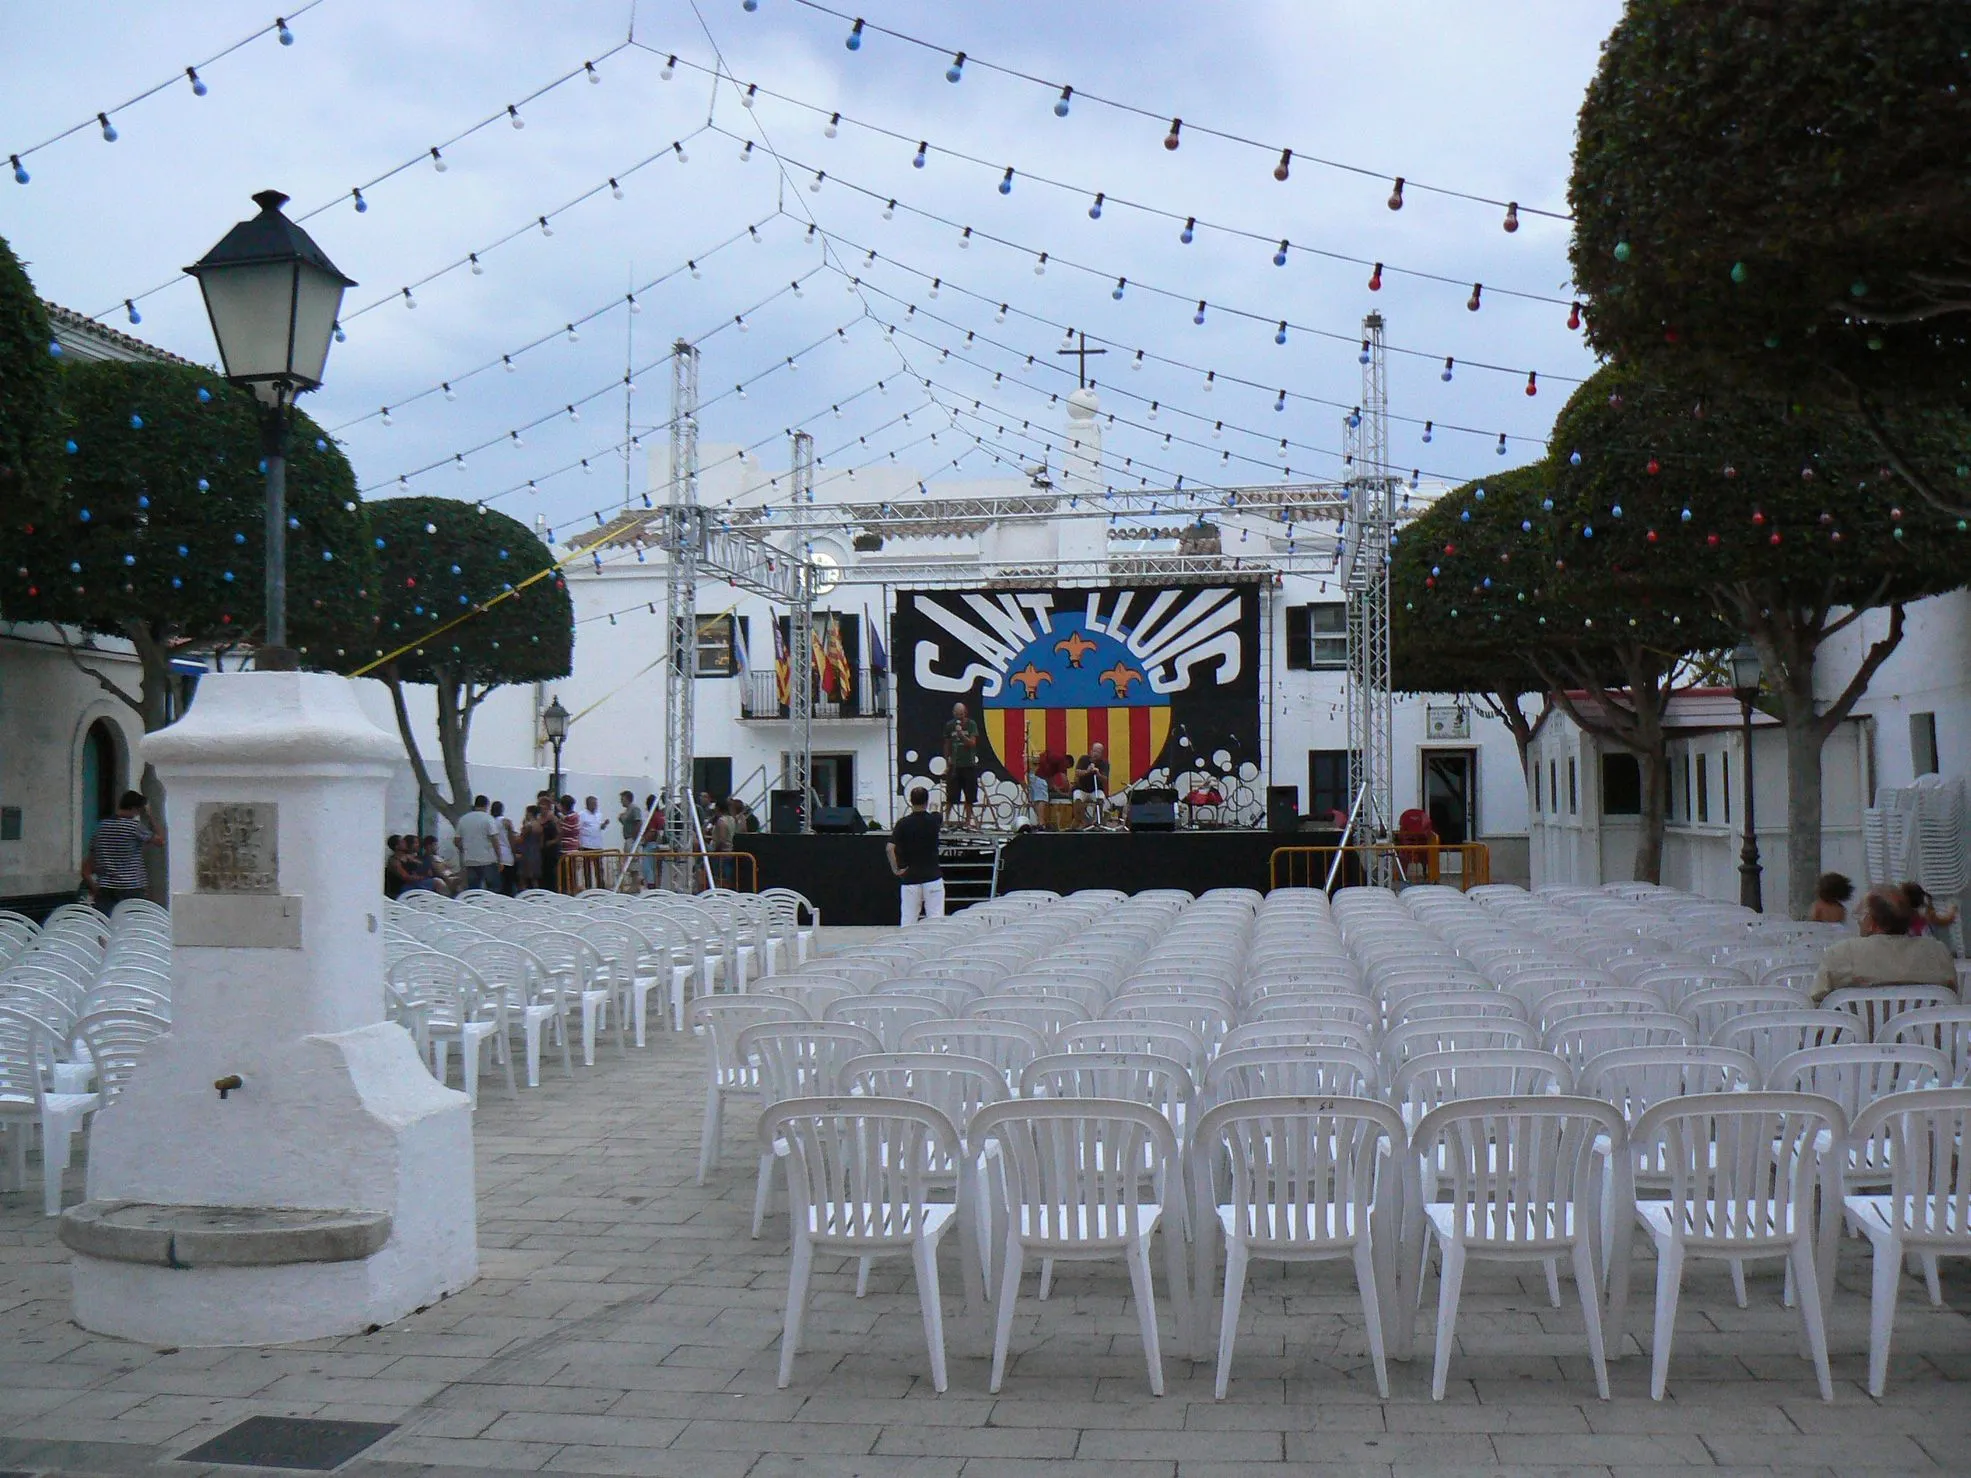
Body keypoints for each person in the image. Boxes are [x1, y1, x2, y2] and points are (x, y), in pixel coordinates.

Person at [1810, 884, 1958, 1002]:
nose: (1858, 920)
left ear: (1872, 923)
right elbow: (1952, 998)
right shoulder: (1938, 952)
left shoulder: (1841, 953)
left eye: (1860, 915)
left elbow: (1818, 1007)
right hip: (1923, 1039)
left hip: (1860, 1038)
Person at [82, 789, 160, 915]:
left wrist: (96, 887)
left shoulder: (101, 827)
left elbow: (90, 859)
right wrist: (150, 816)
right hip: (132, 887)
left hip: (106, 887)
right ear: (136, 809)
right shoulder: (134, 827)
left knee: (106, 926)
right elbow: (160, 841)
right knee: (132, 925)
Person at [887, 786, 945, 925]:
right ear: (926, 801)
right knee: (936, 918)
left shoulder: (903, 823)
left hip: (910, 876)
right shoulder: (934, 820)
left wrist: (895, 869)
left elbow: (890, 848)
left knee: (908, 918)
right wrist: (934, 807)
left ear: (910, 801)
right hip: (932, 875)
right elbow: (937, 812)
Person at [942, 701, 983, 831]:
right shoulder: (949, 725)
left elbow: (972, 743)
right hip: (954, 765)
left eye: (961, 714)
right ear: (953, 713)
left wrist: (961, 735)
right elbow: (947, 743)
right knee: (951, 794)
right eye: (957, 714)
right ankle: (946, 820)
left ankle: (967, 821)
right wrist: (947, 760)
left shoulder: (971, 724)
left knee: (969, 795)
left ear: (965, 712)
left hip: (969, 764)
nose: (959, 717)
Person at [455, 795, 501, 894]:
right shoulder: (488, 819)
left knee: (473, 890)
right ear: (487, 806)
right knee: (493, 889)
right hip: (487, 860)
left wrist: (465, 849)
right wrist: (499, 858)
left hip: (470, 860)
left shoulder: (463, 819)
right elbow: (495, 840)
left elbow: (456, 841)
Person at [1073, 743, 1111, 830]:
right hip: (1082, 789)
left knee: (1101, 799)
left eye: (1098, 752)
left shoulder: (1104, 763)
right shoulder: (1084, 759)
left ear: (1101, 754)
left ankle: (1097, 821)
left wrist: (1098, 774)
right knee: (1077, 798)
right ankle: (1082, 821)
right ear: (1091, 751)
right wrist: (1087, 771)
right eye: (1094, 751)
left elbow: (1105, 780)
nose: (1096, 754)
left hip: (1096, 790)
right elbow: (1077, 772)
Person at [537, 790, 563, 892]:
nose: (541, 807)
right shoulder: (538, 817)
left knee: (551, 873)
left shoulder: (552, 817)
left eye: (543, 804)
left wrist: (553, 841)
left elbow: (560, 832)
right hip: (541, 848)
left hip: (551, 848)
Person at [490, 800, 517, 894]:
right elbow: (512, 839)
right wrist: (514, 852)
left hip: (492, 856)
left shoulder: (490, 822)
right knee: (508, 885)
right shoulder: (506, 822)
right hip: (506, 855)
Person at [517, 805, 544, 892]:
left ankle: (523, 894)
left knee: (523, 877)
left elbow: (521, 838)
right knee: (534, 878)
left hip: (527, 851)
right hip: (536, 852)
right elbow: (541, 842)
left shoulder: (529, 825)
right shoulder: (539, 825)